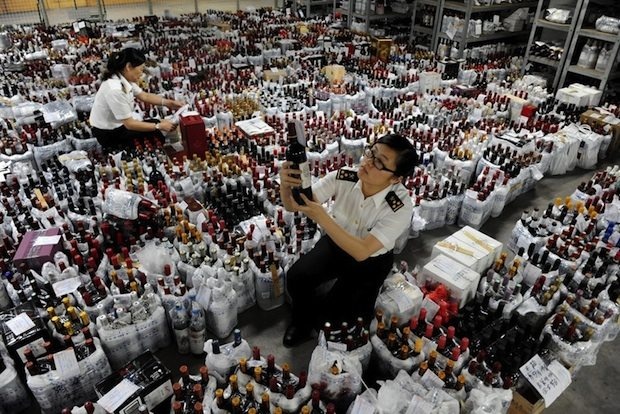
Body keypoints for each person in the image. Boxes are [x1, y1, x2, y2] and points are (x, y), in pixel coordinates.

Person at [279, 133, 418, 347]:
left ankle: (329, 315)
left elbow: (362, 251)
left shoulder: (400, 206)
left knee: (338, 320)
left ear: (396, 178)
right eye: (371, 152)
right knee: (297, 277)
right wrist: (285, 185)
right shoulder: (344, 176)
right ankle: (302, 323)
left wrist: (322, 216)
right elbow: (295, 205)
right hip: (335, 244)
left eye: (379, 162)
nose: (368, 162)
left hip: (370, 262)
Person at [89, 47, 184, 151]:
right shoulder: (115, 89)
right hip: (110, 134)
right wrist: (158, 126)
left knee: (163, 123)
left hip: (120, 125)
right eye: (141, 69)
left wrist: (170, 103)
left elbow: (144, 96)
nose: (142, 74)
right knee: (158, 133)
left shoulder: (123, 78)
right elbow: (129, 124)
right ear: (129, 66)